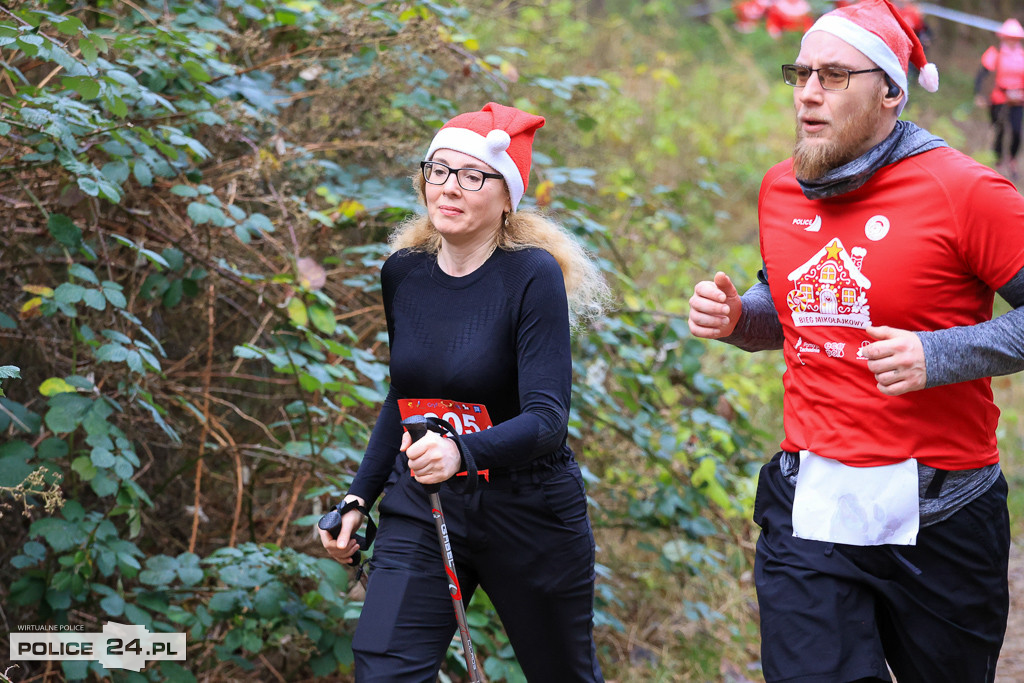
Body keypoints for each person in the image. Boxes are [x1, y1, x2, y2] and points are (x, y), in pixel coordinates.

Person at [688, 1, 1024, 681]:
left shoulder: (966, 191)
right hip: (811, 498)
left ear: (891, 92)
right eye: (802, 73)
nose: (808, 93)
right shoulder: (783, 188)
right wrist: (739, 318)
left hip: (943, 510)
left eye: (835, 76)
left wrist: (937, 355)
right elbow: (791, 303)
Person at [318, 102, 608, 682]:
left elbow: (548, 419)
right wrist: (358, 498)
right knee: (383, 667)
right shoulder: (404, 272)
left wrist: (462, 452)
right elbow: (404, 397)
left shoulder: (531, 275)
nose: (449, 188)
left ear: (507, 197)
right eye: (439, 170)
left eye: (473, 175)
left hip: (528, 510)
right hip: (425, 503)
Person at [974, 18, 1024, 182]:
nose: (1012, 41)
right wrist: (979, 94)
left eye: (1015, 38)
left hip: (1018, 100)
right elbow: (982, 75)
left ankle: (1011, 159)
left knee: (1016, 131)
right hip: (998, 98)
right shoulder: (995, 52)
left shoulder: (1021, 55)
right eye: (1009, 37)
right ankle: (997, 161)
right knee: (999, 130)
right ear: (1003, 37)